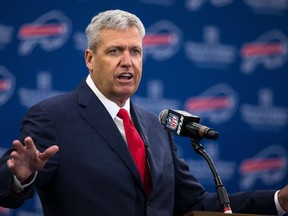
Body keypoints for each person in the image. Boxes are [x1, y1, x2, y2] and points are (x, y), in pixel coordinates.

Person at [0, 9, 287, 216]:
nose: (128, 62)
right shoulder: (52, 116)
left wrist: (279, 200)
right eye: (115, 52)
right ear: (90, 58)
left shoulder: (156, 127)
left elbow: (195, 205)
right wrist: (20, 178)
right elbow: (7, 190)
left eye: (135, 52)